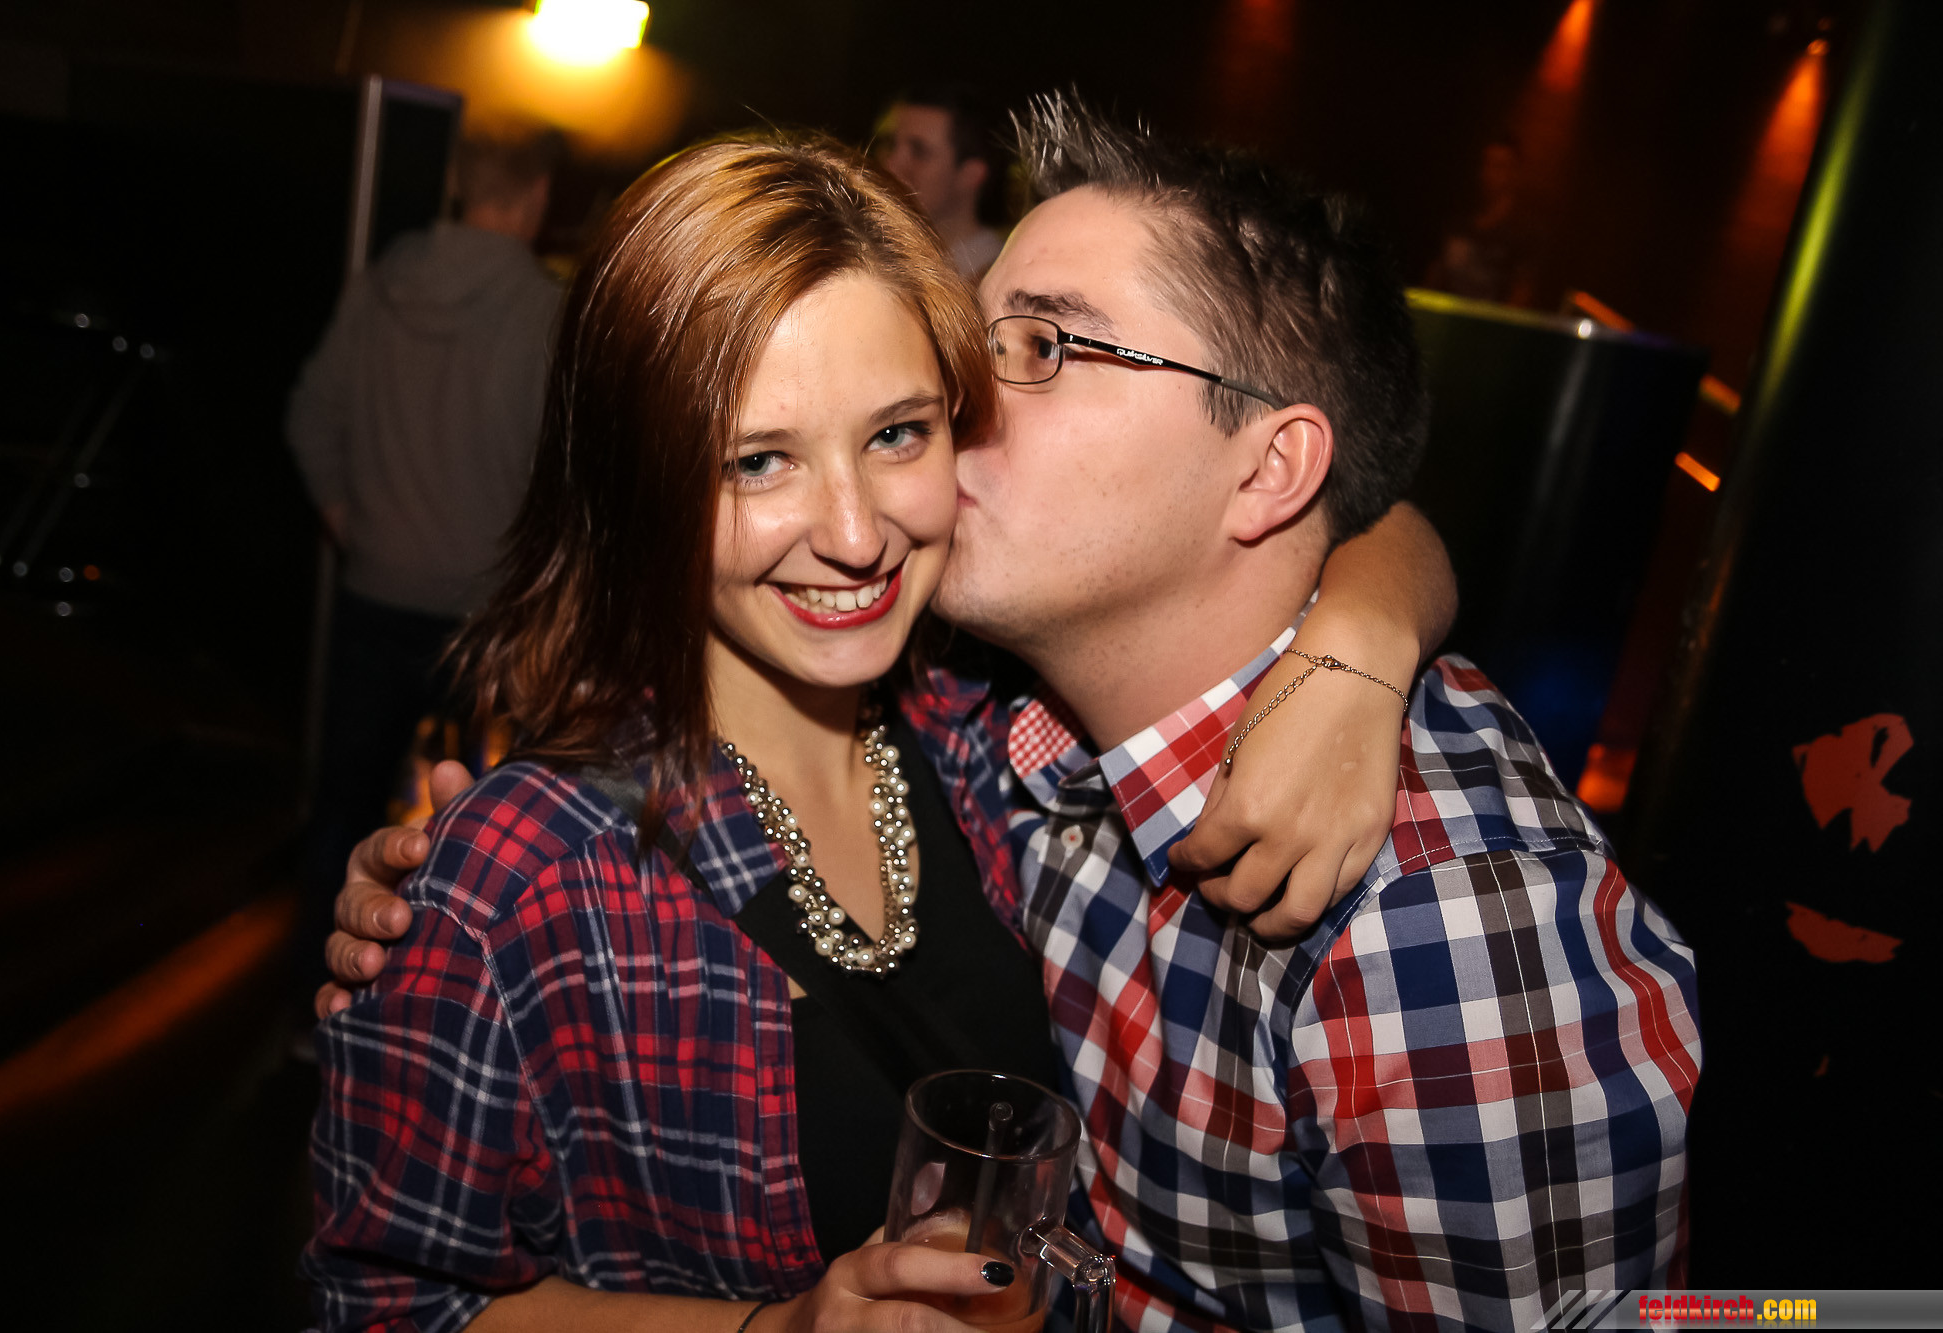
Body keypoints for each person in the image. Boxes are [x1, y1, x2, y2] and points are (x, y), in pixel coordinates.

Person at [328, 97, 1701, 1331]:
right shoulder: (1015, 737)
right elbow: (391, 1289)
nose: (867, 515)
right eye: (758, 458)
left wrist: (1364, 643)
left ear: (1268, 470)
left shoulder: (1428, 926)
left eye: (1037, 349)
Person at [287, 126, 565, 995]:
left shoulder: (382, 283)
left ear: (456, 183)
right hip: (489, 616)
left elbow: (309, 415)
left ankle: (317, 1003)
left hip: (376, 590)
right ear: (537, 195)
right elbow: (563, 472)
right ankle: (450, 1011)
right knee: (489, 834)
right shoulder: (545, 311)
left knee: (346, 812)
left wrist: (353, 522)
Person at [877, 83, 1008, 279]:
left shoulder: (994, 279)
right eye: (889, 144)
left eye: (919, 151)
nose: (890, 164)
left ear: (971, 174)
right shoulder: (874, 252)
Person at [1423, 137, 1542, 307]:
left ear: (1515, 173)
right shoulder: (1458, 223)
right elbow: (1434, 276)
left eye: (1499, 166)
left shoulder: (1524, 233)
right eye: (1486, 163)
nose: (1489, 173)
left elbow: (1521, 295)